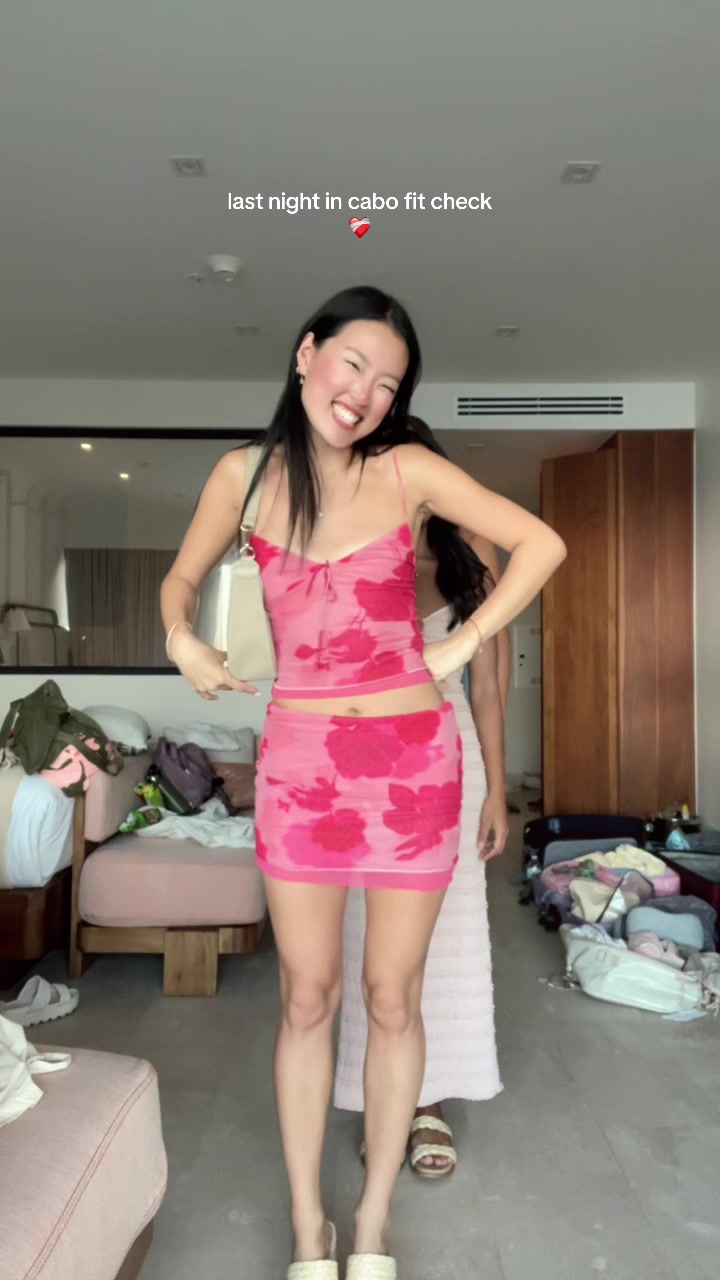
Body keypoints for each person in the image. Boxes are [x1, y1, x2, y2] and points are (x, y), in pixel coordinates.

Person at [160, 286, 566, 1280]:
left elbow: (542, 543)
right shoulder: (242, 477)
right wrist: (181, 638)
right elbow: (179, 580)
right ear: (307, 355)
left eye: (389, 383)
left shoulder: (409, 469)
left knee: (393, 997)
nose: (366, 393)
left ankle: (373, 1220)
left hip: (415, 768)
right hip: (300, 770)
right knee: (307, 997)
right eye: (354, 364)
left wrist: (463, 640)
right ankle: (311, 1226)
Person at [335, 418, 511, 1179]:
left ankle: (428, 1100)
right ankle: (381, 1097)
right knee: (363, 937)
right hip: (356, 761)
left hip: (448, 755)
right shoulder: (342, 545)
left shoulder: (475, 551)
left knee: (443, 935)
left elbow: (491, 688)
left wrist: (497, 790)